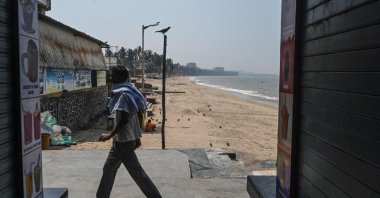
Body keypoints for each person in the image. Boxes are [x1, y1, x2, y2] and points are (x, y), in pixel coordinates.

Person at [97, 66, 162, 198]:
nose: (110, 77)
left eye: (112, 75)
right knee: (109, 169)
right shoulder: (130, 90)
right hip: (122, 140)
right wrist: (137, 137)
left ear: (120, 78)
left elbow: (125, 120)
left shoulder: (123, 94)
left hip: (124, 141)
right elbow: (137, 115)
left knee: (137, 173)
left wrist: (109, 135)